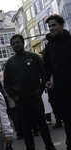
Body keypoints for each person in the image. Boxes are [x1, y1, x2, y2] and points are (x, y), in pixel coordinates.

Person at [4, 34, 56, 150]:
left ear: (23, 42)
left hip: (35, 97)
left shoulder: (33, 57)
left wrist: (40, 89)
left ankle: (50, 146)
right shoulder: (9, 63)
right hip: (20, 100)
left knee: (42, 124)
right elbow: (6, 83)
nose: (15, 45)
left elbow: (44, 74)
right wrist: (14, 97)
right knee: (26, 126)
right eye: (13, 44)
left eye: (17, 42)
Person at [43, 14, 71, 149]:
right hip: (60, 87)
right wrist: (46, 80)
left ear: (61, 25)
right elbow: (47, 66)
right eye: (49, 26)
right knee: (66, 117)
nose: (51, 28)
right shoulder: (49, 46)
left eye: (54, 25)